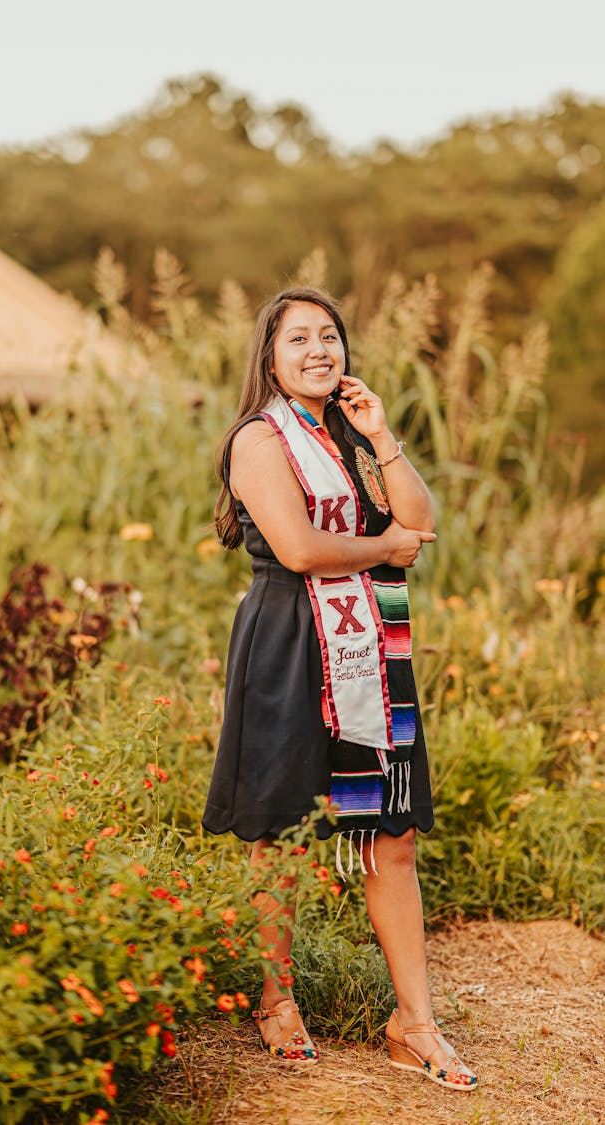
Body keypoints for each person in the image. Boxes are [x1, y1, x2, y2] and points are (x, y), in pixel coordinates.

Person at [202, 287, 478, 1090]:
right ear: (271, 357)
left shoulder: (352, 433)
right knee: (281, 833)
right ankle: (276, 996)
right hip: (290, 643)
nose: (319, 349)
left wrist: (384, 437)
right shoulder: (259, 438)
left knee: (392, 833)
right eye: (300, 338)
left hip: (369, 644)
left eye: (330, 335)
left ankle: (413, 1022)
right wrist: (384, 542)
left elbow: (418, 520)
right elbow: (295, 547)